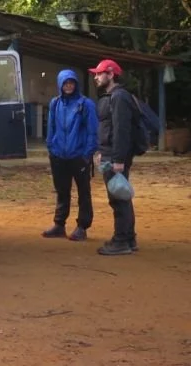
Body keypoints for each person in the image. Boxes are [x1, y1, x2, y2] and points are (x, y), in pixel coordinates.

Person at [42, 70, 98, 241]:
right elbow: (51, 127)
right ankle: (59, 224)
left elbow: (92, 131)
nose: (68, 86)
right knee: (62, 191)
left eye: (71, 83)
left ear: (76, 84)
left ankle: (82, 226)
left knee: (84, 192)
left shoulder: (85, 104)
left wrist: (87, 154)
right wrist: (51, 147)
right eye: (65, 83)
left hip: (78, 155)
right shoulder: (55, 103)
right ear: (60, 84)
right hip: (59, 155)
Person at [90, 59, 138, 256]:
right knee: (121, 196)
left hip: (115, 156)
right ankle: (129, 238)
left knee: (118, 198)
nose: (96, 77)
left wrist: (118, 160)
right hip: (110, 153)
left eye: (99, 73)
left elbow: (121, 130)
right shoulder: (112, 96)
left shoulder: (119, 97)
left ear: (110, 74)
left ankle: (121, 241)